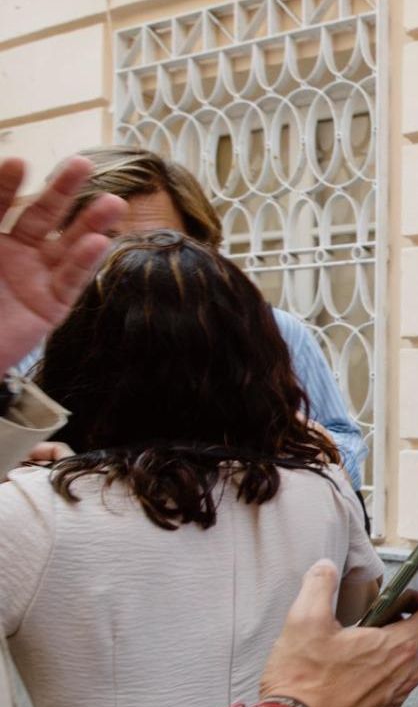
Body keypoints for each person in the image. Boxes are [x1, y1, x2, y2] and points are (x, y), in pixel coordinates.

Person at [0, 153, 418, 707]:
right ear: (257, 354)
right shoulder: (321, 488)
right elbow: (353, 620)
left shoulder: (34, 511)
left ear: (77, 356)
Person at [17, 146, 367, 488]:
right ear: (60, 240)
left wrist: (302, 440)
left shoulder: (273, 331)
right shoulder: (21, 337)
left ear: (196, 246)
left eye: (154, 241)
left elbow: (347, 454)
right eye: (106, 241)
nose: (128, 261)